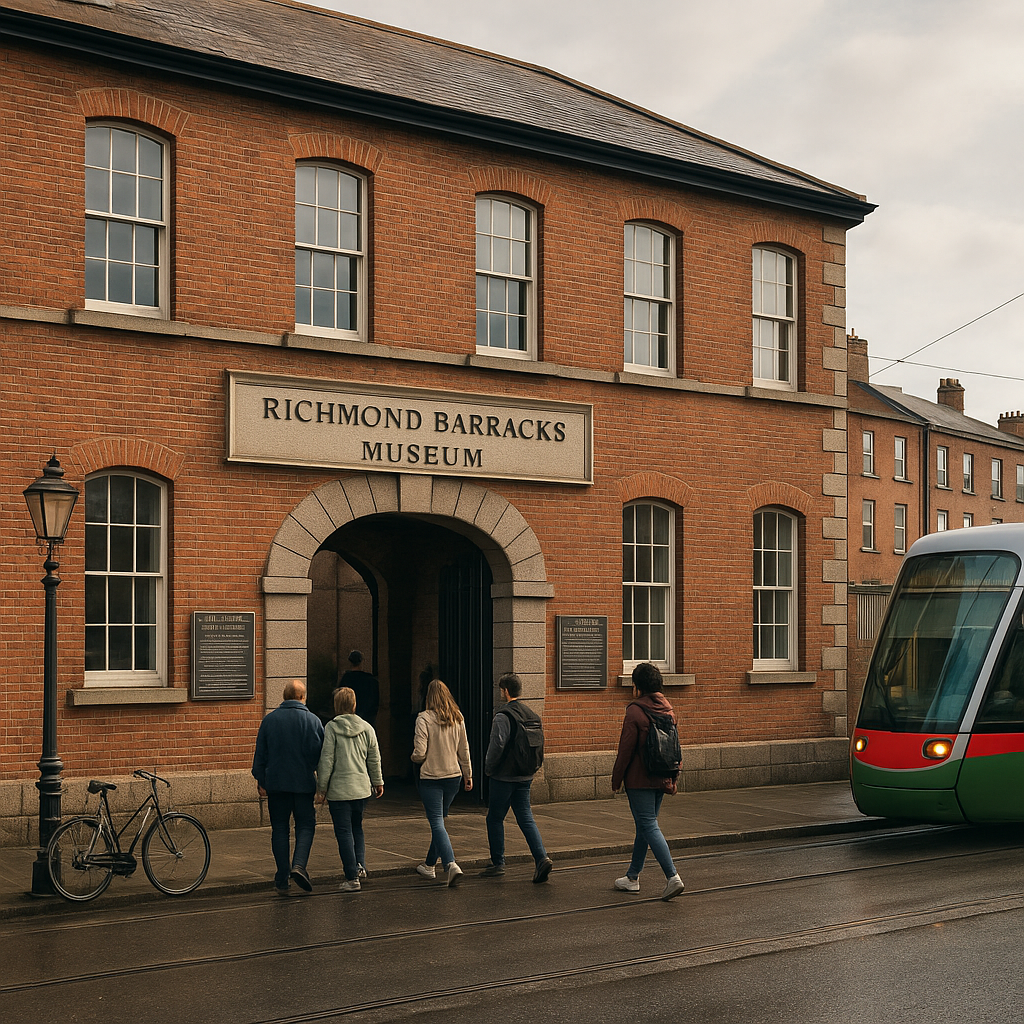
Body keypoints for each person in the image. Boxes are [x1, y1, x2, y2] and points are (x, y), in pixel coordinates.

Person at [610, 662, 685, 901]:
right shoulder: (668, 710)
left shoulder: (634, 712)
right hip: (661, 776)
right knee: (645, 826)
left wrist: (616, 780)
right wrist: (673, 777)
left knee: (649, 825)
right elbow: (675, 748)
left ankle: (673, 877)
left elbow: (625, 751)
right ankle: (632, 877)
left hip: (639, 780)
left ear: (637, 687)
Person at [251, 679, 325, 895]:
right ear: (303, 697)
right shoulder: (313, 721)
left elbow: (261, 753)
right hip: (303, 784)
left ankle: (282, 879)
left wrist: (261, 780)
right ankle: (299, 865)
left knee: (280, 829)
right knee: (306, 826)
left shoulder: (270, 720)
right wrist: (321, 784)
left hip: (276, 784)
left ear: (284, 696)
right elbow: (320, 755)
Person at [480, 672, 553, 883]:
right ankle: (541, 858)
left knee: (495, 818)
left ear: (504, 691)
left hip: (504, 776)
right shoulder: (532, 715)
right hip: (525, 775)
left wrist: (488, 768)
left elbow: (497, 746)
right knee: (525, 817)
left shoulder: (503, 716)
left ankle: (498, 863)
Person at [316, 686, 384, 893]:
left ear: (336, 705)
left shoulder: (331, 728)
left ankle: (351, 876)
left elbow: (327, 760)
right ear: (354, 704)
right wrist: (378, 782)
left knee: (344, 832)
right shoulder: (367, 728)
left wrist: (321, 788)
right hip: (361, 789)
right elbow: (374, 758)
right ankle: (360, 865)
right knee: (357, 828)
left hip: (339, 790)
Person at [411, 678, 472, 887]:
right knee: (440, 822)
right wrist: (468, 774)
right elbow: (464, 749)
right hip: (453, 776)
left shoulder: (423, 718)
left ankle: (450, 863)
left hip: (432, 777)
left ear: (429, 697)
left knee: (436, 821)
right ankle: (429, 865)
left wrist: (413, 758)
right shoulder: (458, 717)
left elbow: (420, 752)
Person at [337, 650, 380, 729]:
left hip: (348, 721)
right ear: (362, 662)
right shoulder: (370, 680)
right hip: (367, 719)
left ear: (350, 662)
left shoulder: (346, 679)